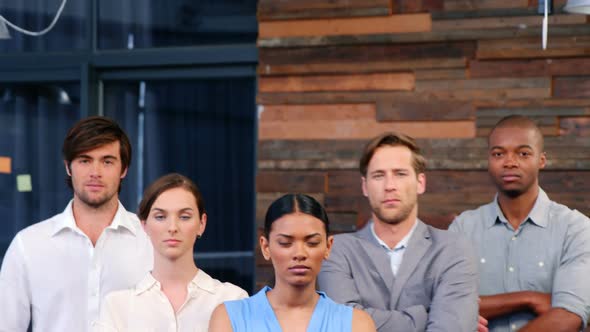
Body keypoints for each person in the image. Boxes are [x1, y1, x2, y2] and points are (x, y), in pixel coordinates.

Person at [0, 116, 153, 332]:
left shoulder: (151, 240)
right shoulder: (29, 245)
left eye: (107, 161)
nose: (95, 173)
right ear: (68, 167)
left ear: (124, 169)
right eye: (84, 160)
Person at [317, 132, 479, 332]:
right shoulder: (336, 251)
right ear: (365, 186)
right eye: (378, 175)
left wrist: (365, 320)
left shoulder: (453, 248)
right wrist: (425, 315)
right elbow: (341, 325)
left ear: (420, 183)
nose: (389, 186)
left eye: (400, 174)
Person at [449, 115, 590, 332]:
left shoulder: (575, 228)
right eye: (498, 154)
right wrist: (529, 298)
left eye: (523, 153)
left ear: (541, 160)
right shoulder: (463, 229)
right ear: (488, 160)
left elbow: (569, 316)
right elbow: (448, 305)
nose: (510, 162)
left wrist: (476, 306)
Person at [93, 173, 247, 331]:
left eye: (185, 217)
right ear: (144, 225)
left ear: (202, 223)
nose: (172, 227)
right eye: (160, 217)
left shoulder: (233, 300)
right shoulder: (117, 307)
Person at [209, 194, 376, 332]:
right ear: (265, 247)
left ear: (328, 246)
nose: (299, 254)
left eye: (312, 243)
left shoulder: (356, 324)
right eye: (285, 243)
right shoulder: (230, 318)